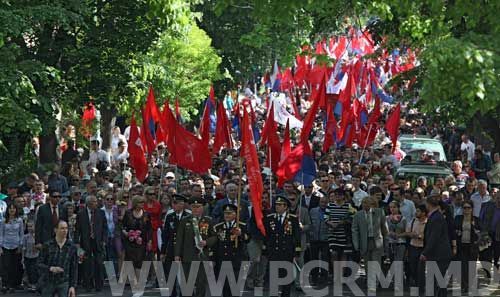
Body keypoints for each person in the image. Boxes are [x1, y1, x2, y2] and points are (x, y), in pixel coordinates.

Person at [174, 197, 217, 297]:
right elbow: (180, 238)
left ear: (203, 207)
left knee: (201, 283)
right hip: (188, 256)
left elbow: (215, 236)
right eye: (193, 207)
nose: (196, 209)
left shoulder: (208, 220)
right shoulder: (185, 221)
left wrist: (206, 242)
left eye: (198, 207)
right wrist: (177, 254)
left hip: (202, 256)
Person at [263, 196, 301, 297]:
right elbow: (267, 235)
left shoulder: (292, 219)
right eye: (276, 204)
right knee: (273, 276)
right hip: (274, 250)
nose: (277, 207)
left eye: (280, 205)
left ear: (285, 207)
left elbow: (296, 235)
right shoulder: (270, 218)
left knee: (286, 277)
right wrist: (265, 248)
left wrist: (297, 250)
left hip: (287, 251)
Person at [351, 197, 388, 295]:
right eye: (363, 203)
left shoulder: (379, 212)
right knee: (367, 264)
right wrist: (356, 244)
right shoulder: (358, 215)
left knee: (376, 263)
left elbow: (384, 228)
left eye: (367, 203)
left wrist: (386, 242)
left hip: (377, 241)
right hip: (365, 241)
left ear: (371, 204)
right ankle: (370, 282)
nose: (364, 205)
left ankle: (373, 284)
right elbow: (355, 230)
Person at [213, 204, 249, 297]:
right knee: (225, 288)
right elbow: (215, 245)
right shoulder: (218, 227)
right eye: (225, 213)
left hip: (236, 261)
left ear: (235, 214)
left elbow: (247, 239)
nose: (227, 215)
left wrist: (240, 234)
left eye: (229, 213)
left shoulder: (241, 226)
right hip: (223, 260)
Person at [420, 195, 452, 297]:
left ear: (428, 204)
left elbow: (434, 237)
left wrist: (425, 252)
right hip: (437, 254)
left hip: (439, 255)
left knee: (437, 280)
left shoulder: (436, 217)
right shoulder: (435, 216)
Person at [74, 195, 107, 292]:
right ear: (88, 203)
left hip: (98, 242)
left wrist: (104, 240)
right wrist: (77, 242)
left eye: (96, 201)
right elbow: (77, 230)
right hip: (86, 241)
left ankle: (98, 285)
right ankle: (88, 285)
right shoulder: (81, 214)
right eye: (94, 202)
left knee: (99, 263)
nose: (96, 203)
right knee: (87, 264)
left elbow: (104, 228)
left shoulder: (101, 213)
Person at [160, 194, 190, 297]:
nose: (177, 206)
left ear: (183, 205)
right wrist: (163, 252)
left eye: (180, 204)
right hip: (172, 249)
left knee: (184, 275)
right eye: (175, 203)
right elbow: (165, 235)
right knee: (171, 275)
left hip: (184, 249)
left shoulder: (188, 216)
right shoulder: (170, 217)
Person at [37, 220, 77, 297]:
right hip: (48, 281)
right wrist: (51, 268)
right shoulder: (47, 245)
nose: (65, 231)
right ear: (55, 230)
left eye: (66, 228)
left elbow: (74, 268)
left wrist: (72, 286)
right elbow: (39, 264)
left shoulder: (71, 247)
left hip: (64, 282)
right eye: (62, 228)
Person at [122, 195, 153, 286]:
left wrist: (149, 241)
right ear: (135, 203)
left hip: (141, 241)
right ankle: (132, 280)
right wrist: (127, 233)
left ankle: (139, 281)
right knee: (130, 259)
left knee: (139, 259)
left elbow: (149, 229)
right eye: (140, 202)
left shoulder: (146, 214)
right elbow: (123, 226)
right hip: (130, 241)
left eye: (143, 202)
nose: (142, 204)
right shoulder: (128, 213)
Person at [454, 200, 481, 293]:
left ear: (472, 209)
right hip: (461, 246)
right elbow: (453, 230)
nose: (466, 210)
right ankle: (464, 286)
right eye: (464, 208)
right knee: (463, 267)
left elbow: (480, 233)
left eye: (468, 208)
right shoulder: (458, 218)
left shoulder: (476, 220)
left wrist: (475, 229)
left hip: (472, 247)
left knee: (471, 267)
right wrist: (457, 232)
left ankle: (469, 284)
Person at [0, 204, 24, 292]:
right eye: (10, 208)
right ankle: (5, 284)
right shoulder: (3, 221)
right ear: (7, 210)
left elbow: (21, 234)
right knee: (5, 265)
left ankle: (14, 284)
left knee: (15, 265)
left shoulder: (20, 220)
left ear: (16, 210)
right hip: (5, 245)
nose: (12, 210)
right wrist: (0, 247)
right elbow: (1, 234)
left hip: (16, 245)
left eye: (14, 208)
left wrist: (20, 246)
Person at [404, 204, 427, 293]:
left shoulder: (428, 222)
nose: (416, 213)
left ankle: (421, 288)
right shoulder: (413, 221)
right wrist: (411, 234)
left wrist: (420, 236)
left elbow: (430, 235)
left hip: (422, 248)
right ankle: (417, 283)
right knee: (413, 268)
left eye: (418, 211)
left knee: (420, 269)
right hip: (413, 247)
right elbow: (407, 232)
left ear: (424, 213)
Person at [308, 195, 330, 286]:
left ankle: (325, 278)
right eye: (322, 202)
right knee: (314, 259)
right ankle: (314, 278)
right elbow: (310, 223)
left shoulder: (330, 211)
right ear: (319, 202)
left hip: (325, 239)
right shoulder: (313, 211)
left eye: (325, 202)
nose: (323, 204)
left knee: (325, 259)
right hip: (314, 238)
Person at [143, 186, 162, 256]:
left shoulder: (158, 204)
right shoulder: (143, 204)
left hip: (155, 229)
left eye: (154, 194)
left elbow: (159, 217)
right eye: (150, 194)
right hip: (145, 229)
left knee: (155, 249)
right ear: (146, 195)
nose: (152, 196)